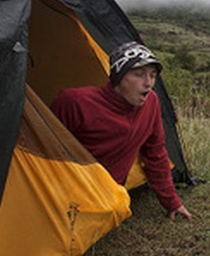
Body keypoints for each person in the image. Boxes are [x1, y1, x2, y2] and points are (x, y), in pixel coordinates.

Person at [51, 41, 192, 220]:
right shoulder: (75, 102)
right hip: (69, 191)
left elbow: (155, 153)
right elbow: (47, 153)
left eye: (153, 75)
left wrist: (172, 202)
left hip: (110, 193)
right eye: (139, 74)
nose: (148, 83)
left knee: (118, 208)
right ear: (118, 77)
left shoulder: (151, 103)